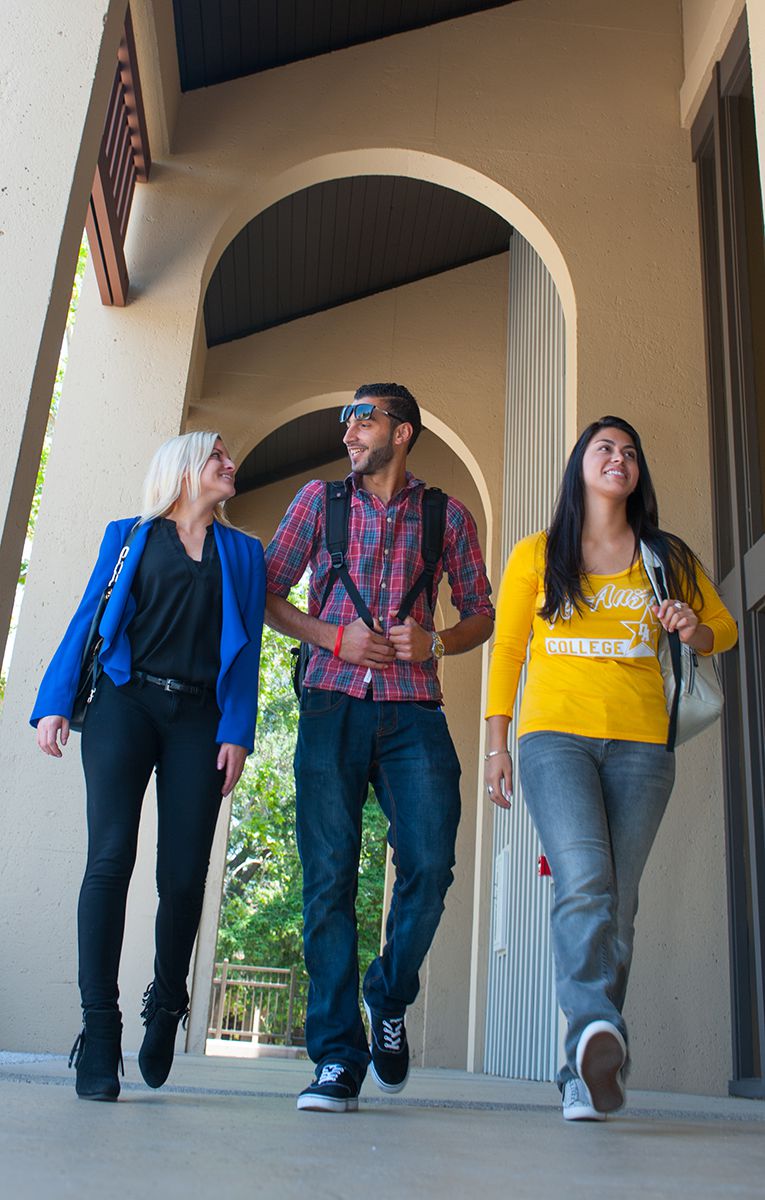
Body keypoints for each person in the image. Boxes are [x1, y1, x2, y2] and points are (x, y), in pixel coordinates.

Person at [484, 416, 737, 1121]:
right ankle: (596, 1029)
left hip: (641, 746)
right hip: (552, 738)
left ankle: (582, 1070)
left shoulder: (664, 555)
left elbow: (725, 627)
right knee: (586, 879)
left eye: (629, 451)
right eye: (604, 448)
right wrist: (497, 742)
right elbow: (507, 652)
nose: (618, 458)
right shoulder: (538, 554)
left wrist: (693, 626)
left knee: (618, 906)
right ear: (579, 467)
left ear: (637, 474)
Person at [265, 383, 494, 1112]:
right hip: (330, 703)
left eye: (362, 419)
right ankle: (336, 1057)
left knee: (430, 863)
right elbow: (265, 594)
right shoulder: (315, 503)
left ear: (402, 433)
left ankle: (387, 995)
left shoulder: (445, 514)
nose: (347, 433)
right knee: (327, 879)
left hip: (414, 710)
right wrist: (332, 636)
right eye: (345, 420)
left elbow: (480, 612)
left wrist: (439, 641)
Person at [31, 432, 265, 1101]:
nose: (230, 465)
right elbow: (89, 616)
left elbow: (245, 652)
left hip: (199, 721)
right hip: (124, 707)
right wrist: (53, 703)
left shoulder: (243, 554)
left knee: (184, 878)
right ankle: (99, 1032)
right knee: (109, 859)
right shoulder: (129, 535)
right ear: (186, 469)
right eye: (218, 456)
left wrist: (237, 733)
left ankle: (166, 1000)